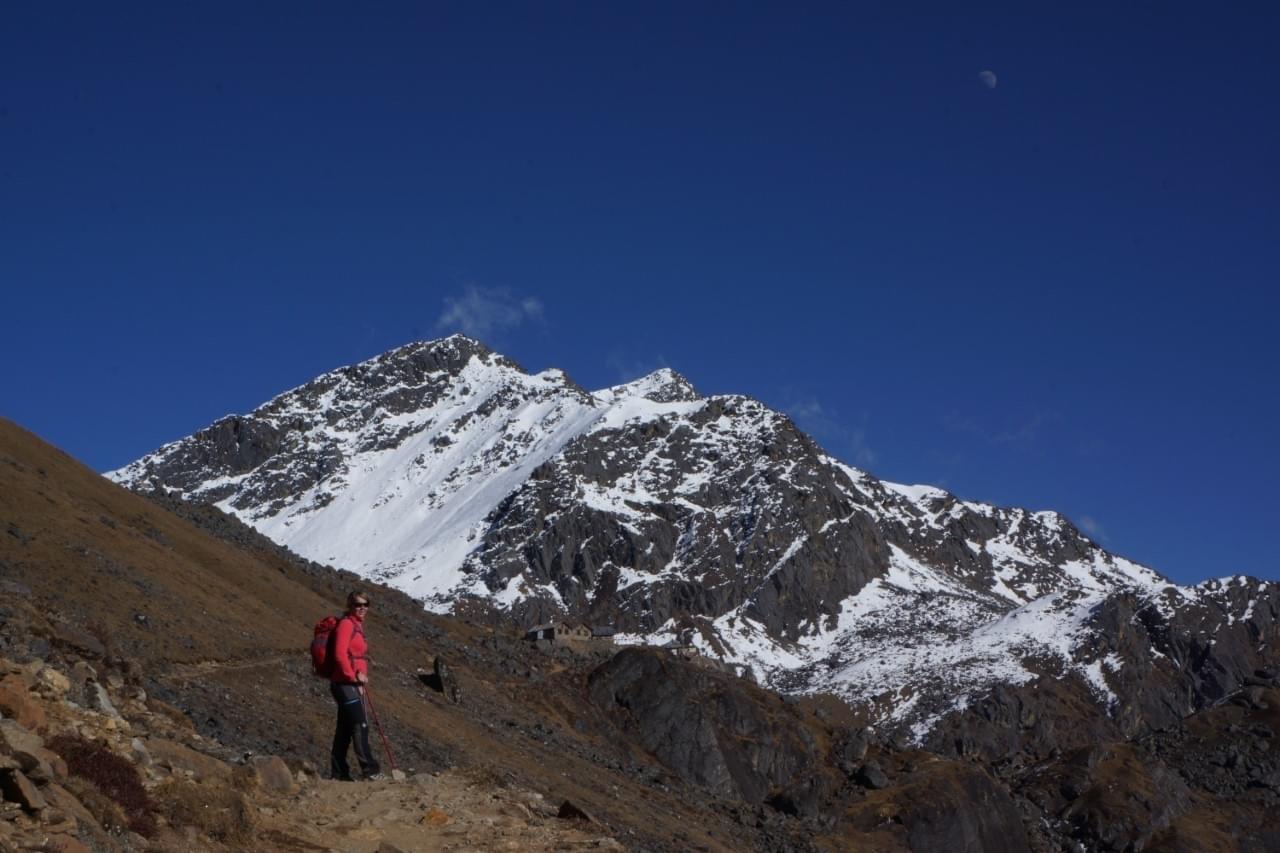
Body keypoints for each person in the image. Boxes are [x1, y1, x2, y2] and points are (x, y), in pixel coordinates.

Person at [329, 590, 382, 781]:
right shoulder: (346, 625)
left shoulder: (356, 625)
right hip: (345, 684)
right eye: (358, 604)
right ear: (350, 606)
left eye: (365, 604)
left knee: (345, 728)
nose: (362, 608)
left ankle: (339, 773)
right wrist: (353, 678)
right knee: (360, 725)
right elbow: (339, 655)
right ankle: (371, 771)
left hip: (348, 683)